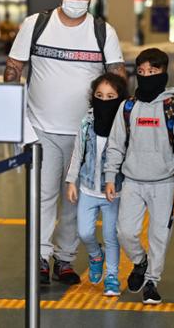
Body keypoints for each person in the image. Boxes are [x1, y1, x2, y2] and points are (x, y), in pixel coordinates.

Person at [4, 0, 127, 285]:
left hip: (86, 132)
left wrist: (115, 122)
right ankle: (41, 258)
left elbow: (116, 74)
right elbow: (14, 66)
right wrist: (14, 112)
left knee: (75, 199)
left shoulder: (102, 31)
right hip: (40, 127)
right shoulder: (36, 25)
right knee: (43, 196)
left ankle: (65, 259)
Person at [104, 48, 174, 305]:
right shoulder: (128, 107)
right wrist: (111, 176)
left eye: (152, 72)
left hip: (164, 184)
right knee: (125, 232)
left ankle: (152, 281)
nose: (146, 76)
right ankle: (140, 261)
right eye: (141, 72)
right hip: (132, 181)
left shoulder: (173, 108)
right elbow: (115, 145)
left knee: (159, 236)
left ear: (164, 74)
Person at [65, 73, 128, 296]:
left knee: (111, 236)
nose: (104, 100)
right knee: (84, 232)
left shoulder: (124, 125)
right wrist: (71, 181)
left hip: (114, 192)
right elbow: (77, 153)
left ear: (121, 98)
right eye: (99, 95)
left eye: (111, 96)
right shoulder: (87, 122)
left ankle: (112, 276)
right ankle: (95, 255)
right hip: (87, 188)